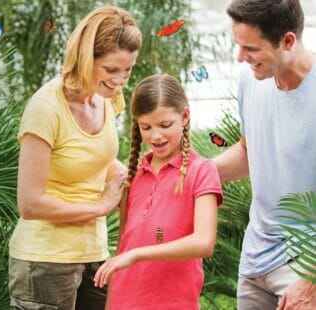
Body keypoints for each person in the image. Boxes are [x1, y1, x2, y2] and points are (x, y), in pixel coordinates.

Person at [7, 6, 142, 310]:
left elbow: (96, 159)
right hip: (44, 261)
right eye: (111, 69)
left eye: (128, 69)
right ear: (84, 57)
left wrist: (146, 177)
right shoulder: (46, 107)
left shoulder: (106, 98)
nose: (120, 80)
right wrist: (101, 206)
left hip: (93, 253)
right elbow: (30, 203)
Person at [213, 0, 316, 309]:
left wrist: (310, 281)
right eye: (239, 45)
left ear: (287, 41)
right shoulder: (251, 79)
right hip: (255, 260)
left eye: (251, 49)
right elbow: (249, 151)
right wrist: (188, 170)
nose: (241, 57)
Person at [93, 74, 224, 309]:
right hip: (125, 300)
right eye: (146, 127)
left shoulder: (202, 171)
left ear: (184, 117)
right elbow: (124, 244)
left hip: (173, 301)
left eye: (165, 125)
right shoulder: (133, 175)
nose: (155, 136)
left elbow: (204, 242)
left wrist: (137, 255)